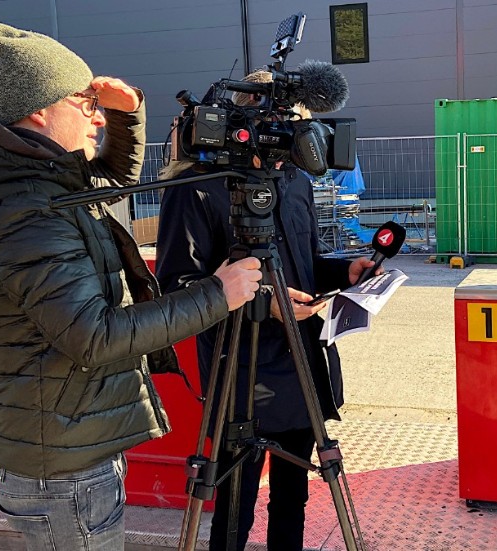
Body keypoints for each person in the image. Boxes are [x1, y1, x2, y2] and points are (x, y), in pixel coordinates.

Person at [0, 21, 263, 551]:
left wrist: (127, 113)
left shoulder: (37, 178)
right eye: (86, 104)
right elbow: (95, 336)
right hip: (65, 465)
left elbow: (112, 180)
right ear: (39, 110)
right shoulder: (25, 208)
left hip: (69, 441)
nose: (97, 117)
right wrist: (218, 294)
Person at [155, 71, 376, 551]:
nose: (303, 138)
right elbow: (178, 287)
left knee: (293, 497)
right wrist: (266, 304)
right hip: (240, 369)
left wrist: (347, 271)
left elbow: (306, 262)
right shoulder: (197, 187)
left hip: (302, 362)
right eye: (292, 124)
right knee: (235, 502)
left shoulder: (294, 181)